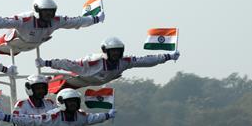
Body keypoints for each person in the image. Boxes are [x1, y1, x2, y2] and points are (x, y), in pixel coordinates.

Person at [37, 36, 180, 93]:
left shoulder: (124, 62)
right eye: (113, 52)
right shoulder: (92, 61)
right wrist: (47, 63)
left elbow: (145, 61)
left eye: (118, 52)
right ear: (106, 51)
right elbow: (67, 64)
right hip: (74, 79)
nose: (116, 55)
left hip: (95, 81)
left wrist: (167, 56)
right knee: (49, 90)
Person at [0, 0, 104, 55]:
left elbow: (76, 21)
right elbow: (0, 22)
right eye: (46, 11)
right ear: (37, 10)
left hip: (30, 45)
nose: (49, 15)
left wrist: (95, 19)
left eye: (51, 11)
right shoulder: (24, 19)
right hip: (11, 43)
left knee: (16, 52)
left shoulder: (56, 20)